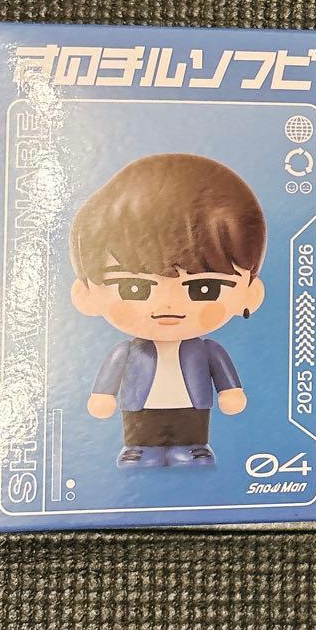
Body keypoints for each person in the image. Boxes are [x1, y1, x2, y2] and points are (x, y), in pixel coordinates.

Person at [69, 154, 266, 469]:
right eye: (134, 288)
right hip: (140, 409)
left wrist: (231, 391)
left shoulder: (208, 350)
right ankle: (138, 449)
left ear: (250, 295)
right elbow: (110, 376)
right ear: (86, 295)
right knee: (142, 431)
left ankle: (193, 448)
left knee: (191, 431)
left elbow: (223, 374)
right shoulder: (127, 353)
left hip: (192, 410)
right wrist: (103, 395)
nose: (167, 303)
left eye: (204, 288)